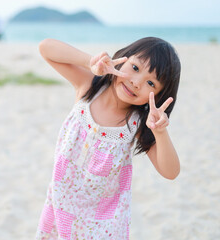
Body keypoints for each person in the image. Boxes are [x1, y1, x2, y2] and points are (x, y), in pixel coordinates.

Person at [35, 37, 181, 239]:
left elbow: (171, 171)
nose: (136, 82)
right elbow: (46, 48)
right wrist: (90, 61)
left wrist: (160, 132)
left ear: (158, 96)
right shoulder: (89, 87)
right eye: (135, 68)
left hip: (103, 225)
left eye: (150, 83)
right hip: (62, 208)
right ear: (121, 58)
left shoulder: (136, 123)